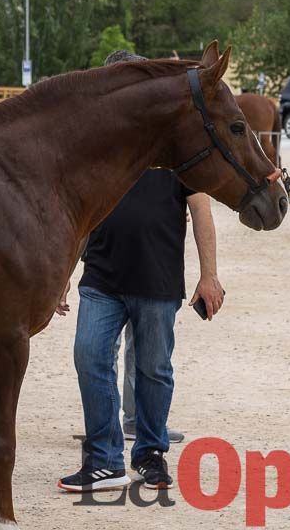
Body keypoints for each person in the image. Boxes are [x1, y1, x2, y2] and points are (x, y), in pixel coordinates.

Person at [58, 51, 224, 494]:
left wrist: (209, 275)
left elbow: (202, 212)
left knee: (154, 369)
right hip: (102, 278)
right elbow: (78, 218)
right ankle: (104, 458)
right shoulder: (93, 148)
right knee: (89, 357)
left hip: (158, 278)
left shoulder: (176, 147)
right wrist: (59, 277)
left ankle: (150, 453)